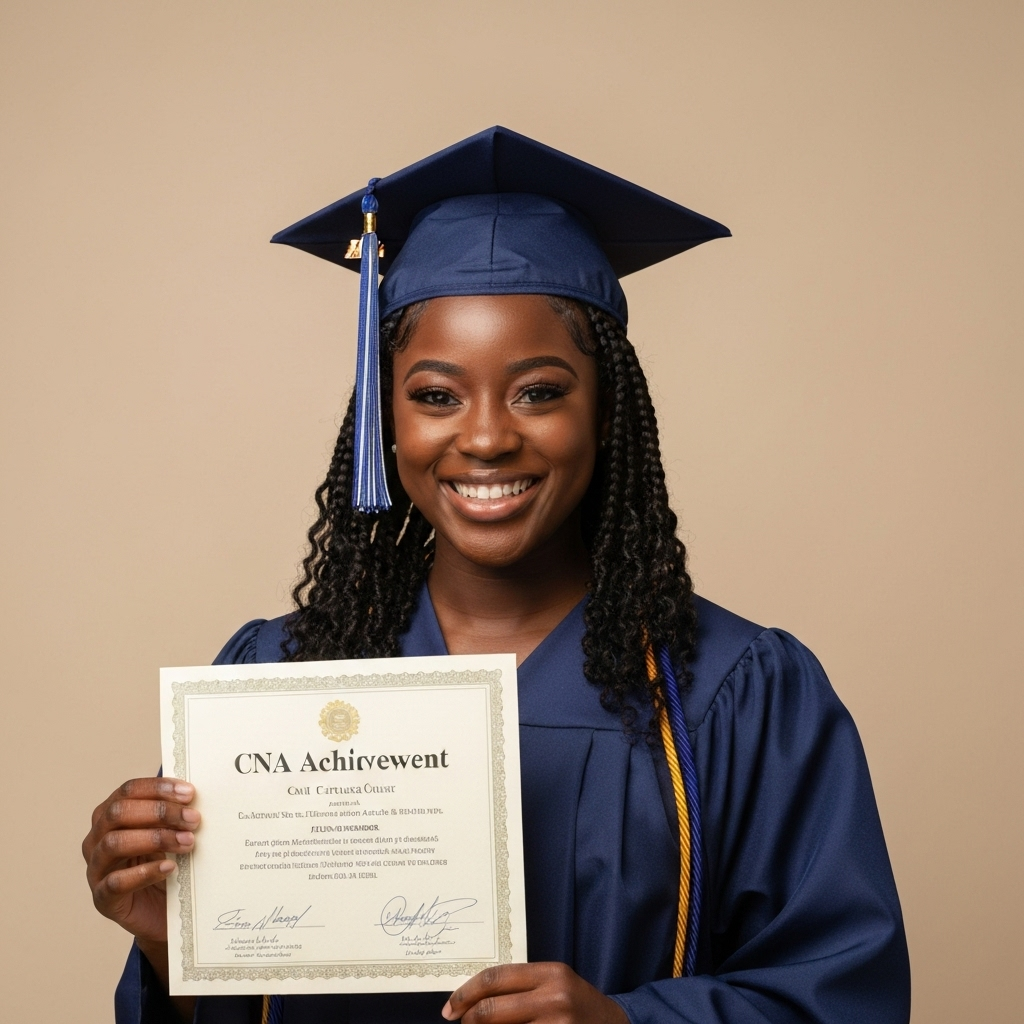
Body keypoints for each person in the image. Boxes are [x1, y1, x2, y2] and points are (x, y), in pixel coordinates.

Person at [83, 127, 911, 1024]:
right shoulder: (276, 682)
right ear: (385, 418)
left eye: (538, 392)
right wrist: (172, 950)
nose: (484, 437)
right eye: (436, 395)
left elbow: (844, 998)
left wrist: (628, 1023)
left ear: (608, 411)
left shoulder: (734, 694)